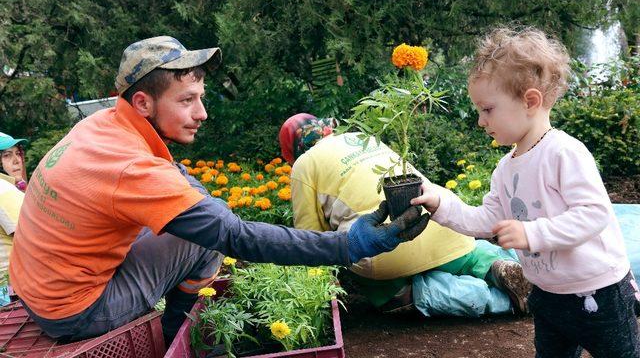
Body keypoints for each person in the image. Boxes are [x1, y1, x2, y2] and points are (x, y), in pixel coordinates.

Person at [8, 36, 430, 345]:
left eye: (201, 97)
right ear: (143, 104)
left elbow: (174, 176)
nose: (202, 113)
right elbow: (236, 237)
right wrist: (348, 245)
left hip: (35, 289)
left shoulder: (101, 127)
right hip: (75, 311)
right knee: (206, 243)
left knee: (202, 219)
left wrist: (208, 207)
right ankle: (178, 343)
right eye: (188, 100)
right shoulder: (131, 169)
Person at [412, 27, 639, 357]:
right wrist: (441, 203)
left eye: (487, 109)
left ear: (530, 101)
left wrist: (532, 233)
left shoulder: (564, 153)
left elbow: (594, 215)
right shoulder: (505, 168)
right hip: (547, 295)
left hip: (599, 294)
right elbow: (486, 220)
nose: (480, 121)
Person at [279, 113, 532, 316]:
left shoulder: (304, 165)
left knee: (393, 291)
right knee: (466, 255)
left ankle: (495, 300)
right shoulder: (362, 137)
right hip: (441, 225)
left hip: (386, 255)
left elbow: (310, 241)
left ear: (292, 150)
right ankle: (495, 265)